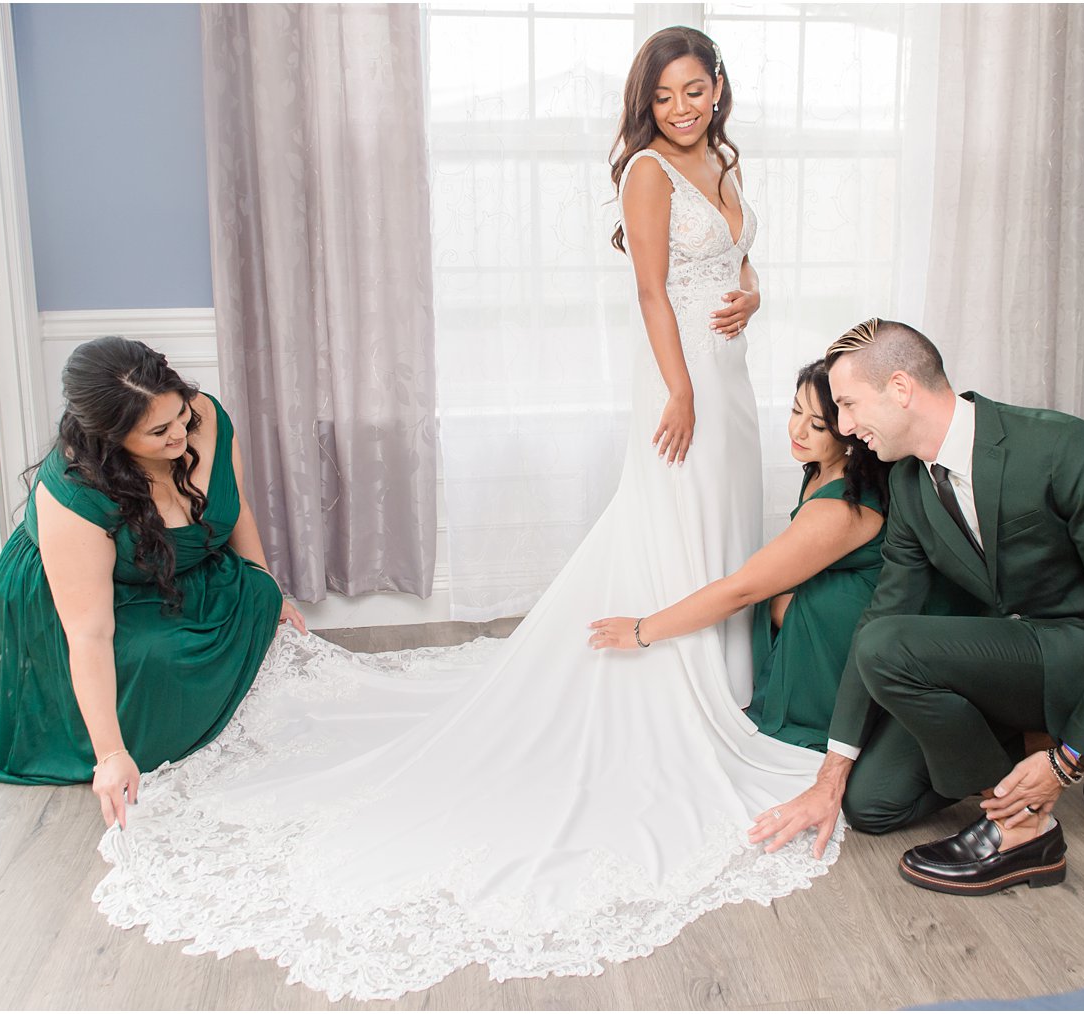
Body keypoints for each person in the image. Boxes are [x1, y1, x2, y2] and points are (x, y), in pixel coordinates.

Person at [89, 28, 840, 1002]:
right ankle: (680, 671)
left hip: (731, 373)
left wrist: (750, 292)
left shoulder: (720, 158)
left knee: (727, 518)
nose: (682, 108)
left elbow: (729, 263)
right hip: (683, 379)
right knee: (675, 517)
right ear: (645, 107)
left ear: (718, 88)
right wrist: (680, 389)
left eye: (695, 90)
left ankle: (728, 667)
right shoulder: (649, 172)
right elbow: (652, 290)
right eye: (664, 97)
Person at [750, 318, 1084, 897]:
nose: (844, 427)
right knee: (872, 804)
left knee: (887, 646)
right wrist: (831, 776)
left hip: (1080, 653)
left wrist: (1070, 758)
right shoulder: (908, 484)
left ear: (901, 389)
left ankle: (1025, 825)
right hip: (995, 659)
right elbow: (885, 610)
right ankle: (1019, 756)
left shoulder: (1065, 448)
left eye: (848, 405)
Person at [0, 336, 306, 827]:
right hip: (89, 594)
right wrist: (109, 756)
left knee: (257, 596)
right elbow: (89, 632)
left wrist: (267, 585)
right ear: (111, 439)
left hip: (173, 565)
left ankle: (210, 713)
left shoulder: (203, 416)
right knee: (156, 655)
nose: (179, 438)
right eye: (158, 432)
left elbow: (235, 507)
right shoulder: (75, 493)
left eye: (181, 420)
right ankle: (139, 734)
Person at [589, 358, 892, 757]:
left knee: (760, 593)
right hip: (841, 597)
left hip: (853, 623)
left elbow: (741, 591)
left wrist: (643, 630)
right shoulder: (825, 466)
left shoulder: (842, 506)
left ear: (848, 433)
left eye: (817, 425)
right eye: (796, 410)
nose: (797, 430)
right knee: (768, 592)